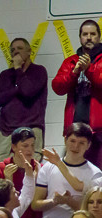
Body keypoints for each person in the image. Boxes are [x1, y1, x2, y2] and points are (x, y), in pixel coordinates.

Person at [32, 122, 102, 218]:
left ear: (88, 145)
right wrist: (54, 201)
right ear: (65, 140)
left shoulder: (95, 173)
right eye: (72, 141)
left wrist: (69, 201)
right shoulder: (48, 168)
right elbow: (35, 204)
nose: (76, 146)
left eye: (81, 143)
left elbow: (91, 210)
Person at [52, 19, 102, 168]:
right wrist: (74, 73)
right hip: (75, 129)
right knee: (74, 172)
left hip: (99, 130)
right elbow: (58, 88)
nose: (89, 37)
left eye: (92, 34)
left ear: (99, 37)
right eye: (85, 34)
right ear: (80, 38)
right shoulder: (71, 62)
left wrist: (89, 69)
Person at [0, 38, 48, 164]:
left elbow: (27, 92)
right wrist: (16, 89)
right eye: (13, 50)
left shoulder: (38, 71)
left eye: (20, 48)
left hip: (31, 127)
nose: (16, 52)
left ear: (29, 51)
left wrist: (18, 69)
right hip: (6, 130)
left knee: (28, 168)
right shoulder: (5, 75)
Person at [0, 126, 42, 218]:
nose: (30, 150)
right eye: (25, 145)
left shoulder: (40, 169)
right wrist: (8, 181)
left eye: (32, 145)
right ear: (14, 147)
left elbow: (28, 196)